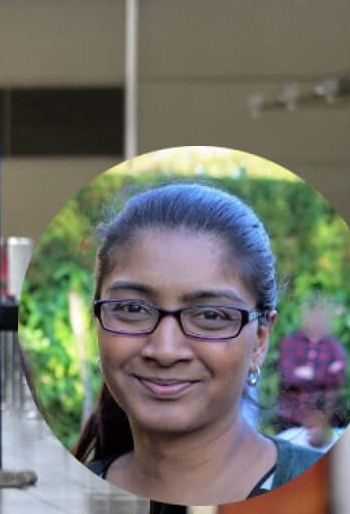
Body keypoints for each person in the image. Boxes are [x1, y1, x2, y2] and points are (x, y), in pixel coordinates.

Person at [73, 182, 321, 504]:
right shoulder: (60, 497)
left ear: (260, 339)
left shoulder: (335, 491)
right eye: (133, 309)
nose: (165, 350)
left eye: (210, 315)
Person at [274, 296, 346, 432]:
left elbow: (339, 378)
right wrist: (325, 374)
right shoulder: (290, 342)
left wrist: (309, 373)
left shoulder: (333, 346)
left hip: (324, 421)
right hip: (290, 419)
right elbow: (287, 377)